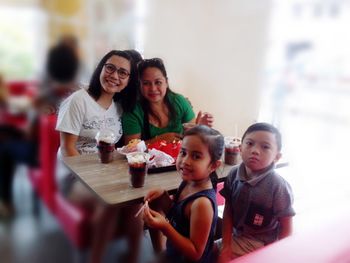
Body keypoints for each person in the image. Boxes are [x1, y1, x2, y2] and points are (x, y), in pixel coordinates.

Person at [55, 50, 141, 263]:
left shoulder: (118, 107)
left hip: (106, 173)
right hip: (73, 175)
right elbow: (67, 149)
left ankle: (133, 257)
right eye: (110, 68)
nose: (114, 76)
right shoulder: (78, 101)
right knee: (109, 203)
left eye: (123, 73)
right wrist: (96, 180)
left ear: (129, 80)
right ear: (100, 68)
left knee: (136, 202)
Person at [0, 44, 80, 218]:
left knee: (4, 148)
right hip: (71, 152)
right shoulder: (81, 93)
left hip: (42, 156)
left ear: (50, 67)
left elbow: (31, 134)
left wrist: (22, 129)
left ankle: (5, 202)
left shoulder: (45, 97)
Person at [143, 125, 224, 262]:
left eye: (196, 156)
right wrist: (163, 197)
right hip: (175, 254)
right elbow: (178, 216)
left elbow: (195, 253)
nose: (185, 161)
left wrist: (164, 227)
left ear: (213, 166)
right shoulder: (188, 182)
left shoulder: (202, 204)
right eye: (183, 152)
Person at [218, 122, 295, 262]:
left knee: (211, 254)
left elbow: (286, 225)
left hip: (262, 242)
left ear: (277, 157)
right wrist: (226, 245)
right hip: (237, 233)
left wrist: (278, 255)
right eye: (249, 143)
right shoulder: (234, 174)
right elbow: (228, 210)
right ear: (240, 148)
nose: (255, 150)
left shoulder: (278, 186)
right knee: (209, 251)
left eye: (265, 147)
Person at [122, 57, 214, 144]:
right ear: (140, 85)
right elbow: (131, 148)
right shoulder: (133, 111)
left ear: (166, 82)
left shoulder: (180, 102)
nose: (153, 89)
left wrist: (200, 129)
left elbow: (191, 138)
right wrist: (159, 139)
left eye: (158, 82)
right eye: (146, 83)